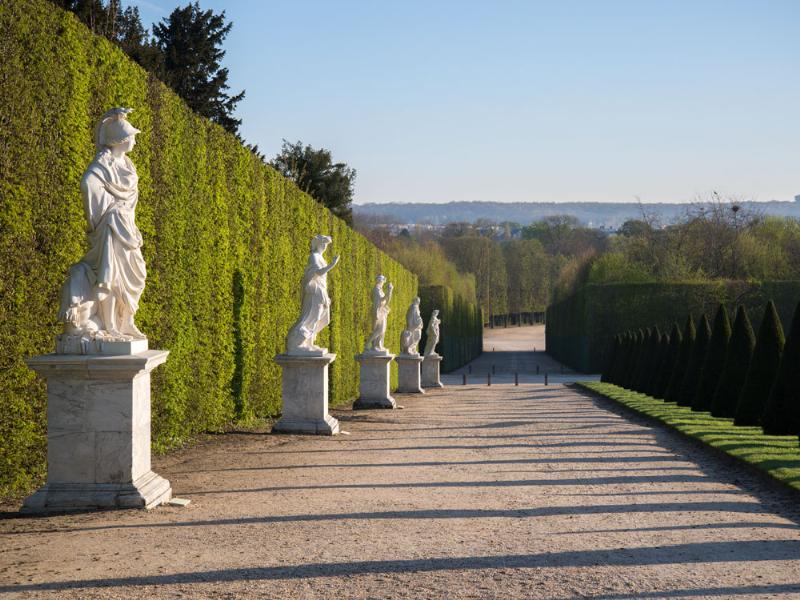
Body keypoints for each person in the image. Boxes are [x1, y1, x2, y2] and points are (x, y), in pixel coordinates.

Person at [59, 108, 147, 342]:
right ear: (121, 141)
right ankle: (111, 325)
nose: (135, 140)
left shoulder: (127, 164)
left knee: (136, 274)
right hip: (110, 227)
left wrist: (111, 115)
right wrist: (105, 209)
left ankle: (126, 321)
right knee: (111, 275)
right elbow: (88, 182)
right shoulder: (103, 163)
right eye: (132, 136)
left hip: (127, 226)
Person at [286, 235, 340, 353]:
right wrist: (332, 265)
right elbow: (318, 272)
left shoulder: (320, 257)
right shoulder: (314, 256)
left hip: (320, 291)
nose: (325, 247)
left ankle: (309, 343)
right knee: (310, 316)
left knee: (316, 317)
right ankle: (295, 342)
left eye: (326, 244)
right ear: (318, 244)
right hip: (313, 291)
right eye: (324, 244)